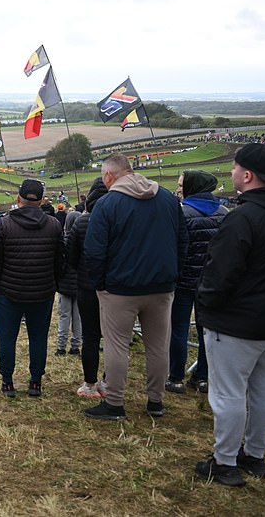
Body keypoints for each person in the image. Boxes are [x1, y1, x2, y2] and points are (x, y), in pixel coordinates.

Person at [194, 143, 265, 487]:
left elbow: (220, 273)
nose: (230, 174)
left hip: (235, 322)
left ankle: (225, 461)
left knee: (228, 393)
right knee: (264, 388)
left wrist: (207, 305)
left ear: (247, 175)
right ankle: (255, 455)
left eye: (233, 168)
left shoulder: (243, 218)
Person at [83, 154, 188, 420]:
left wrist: (98, 284)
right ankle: (156, 401)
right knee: (157, 345)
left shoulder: (106, 204)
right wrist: (173, 274)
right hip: (162, 285)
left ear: (109, 176)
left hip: (120, 287)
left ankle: (115, 403)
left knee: (117, 345)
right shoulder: (167, 198)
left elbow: (94, 251)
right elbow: (182, 241)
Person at [0, 179, 64, 398]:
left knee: (7, 337)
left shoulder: (5, 223)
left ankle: (7, 380)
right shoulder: (53, 225)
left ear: (18, 198)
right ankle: (35, 381)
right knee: (38, 338)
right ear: (41, 201)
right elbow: (60, 260)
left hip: (8, 292)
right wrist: (55, 284)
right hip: (42, 291)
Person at [167, 170, 227, 395]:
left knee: (179, 329)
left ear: (192, 186)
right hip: (212, 281)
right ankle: (202, 376)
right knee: (207, 332)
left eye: (182, 184)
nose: (179, 188)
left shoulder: (181, 213)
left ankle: (176, 377)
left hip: (184, 280)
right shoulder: (224, 212)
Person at [66, 178, 109, 398]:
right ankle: (108, 382)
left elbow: (71, 256)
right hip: (114, 287)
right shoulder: (119, 219)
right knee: (114, 338)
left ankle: (90, 384)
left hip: (87, 286)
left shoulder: (82, 223)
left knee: (90, 337)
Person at [55, 210, 82, 356]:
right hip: (79, 284)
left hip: (65, 284)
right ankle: (76, 346)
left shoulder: (63, 242)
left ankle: (61, 346)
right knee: (77, 317)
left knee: (64, 315)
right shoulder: (83, 240)